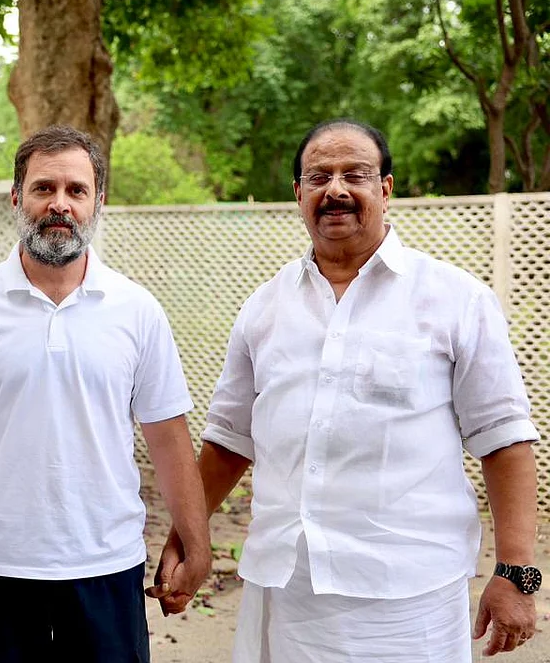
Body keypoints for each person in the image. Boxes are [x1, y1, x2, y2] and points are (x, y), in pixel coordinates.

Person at [155, 118, 540, 661]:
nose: (335, 189)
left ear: (385, 188)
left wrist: (517, 572)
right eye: (319, 177)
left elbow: (504, 440)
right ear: (299, 194)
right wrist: (186, 538)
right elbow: (229, 442)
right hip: (284, 589)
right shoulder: (265, 307)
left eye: (354, 175)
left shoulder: (455, 300)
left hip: (407, 600)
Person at [0, 125, 212, 663]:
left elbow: (168, 437)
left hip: (106, 564)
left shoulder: (137, 311)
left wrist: (197, 545)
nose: (59, 204)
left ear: (98, 202)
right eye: (44, 188)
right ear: (16, 197)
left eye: (76, 190)